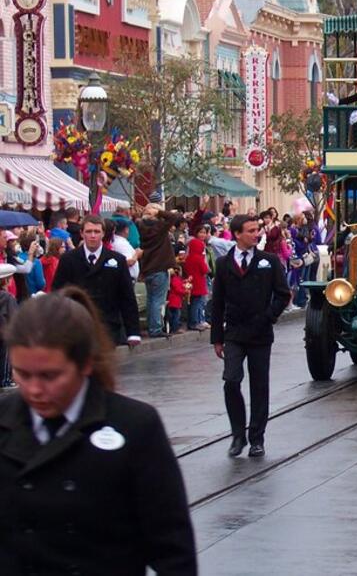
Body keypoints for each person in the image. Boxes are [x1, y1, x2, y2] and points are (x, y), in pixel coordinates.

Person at [0, 288, 196, 575]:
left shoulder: (134, 426)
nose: (34, 389)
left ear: (86, 364)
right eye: (22, 374)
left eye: (50, 375)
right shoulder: (4, 421)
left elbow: (173, 550)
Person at [210, 214, 292, 458]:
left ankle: (257, 437)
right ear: (237, 234)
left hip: (260, 333)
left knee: (259, 386)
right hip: (234, 332)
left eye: (257, 230)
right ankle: (238, 434)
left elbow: (283, 294)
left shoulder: (269, 261)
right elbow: (218, 302)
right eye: (251, 231)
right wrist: (217, 337)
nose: (256, 234)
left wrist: (269, 316)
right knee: (231, 380)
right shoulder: (224, 264)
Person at [51, 215, 140, 347]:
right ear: (82, 233)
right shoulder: (69, 259)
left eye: (97, 231)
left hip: (108, 326)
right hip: (77, 326)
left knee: (103, 365)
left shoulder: (117, 260)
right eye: (88, 231)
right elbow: (58, 294)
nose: (93, 236)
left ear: (103, 233)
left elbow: (127, 298)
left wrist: (133, 332)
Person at [138, 203, 182, 339]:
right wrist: (160, 212)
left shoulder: (141, 226)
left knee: (151, 299)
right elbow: (174, 217)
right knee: (158, 300)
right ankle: (156, 328)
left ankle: (152, 326)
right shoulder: (159, 228)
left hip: (148, 268)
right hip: (160, 268)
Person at [183, 225, 211, 331]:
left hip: (191, 282)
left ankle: (192, 322)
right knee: (198, 303)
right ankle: (196, 322)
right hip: (199, 282)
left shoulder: (189, 258)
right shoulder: (199, 258)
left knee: (192, 303)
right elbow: (205, 270)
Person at [110, 218, 141, 283]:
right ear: (126, 230)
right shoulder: (121, 244)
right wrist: (137, 254)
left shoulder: (116, 240)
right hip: (126, 279)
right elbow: (128, 262)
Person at [0, 264, 16, 387]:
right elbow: (14, 316)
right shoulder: (8, 297)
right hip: (4, 332)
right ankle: (5, 379)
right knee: (6, 354)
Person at [167, 265, 189, 336]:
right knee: (176, 315)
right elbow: (178, 289)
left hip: (174, 300)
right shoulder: (176, 279)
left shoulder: (174, 279)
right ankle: (175, 328)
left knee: (173, 315)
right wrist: (185, 291)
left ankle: (173, 327)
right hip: (175, 300)